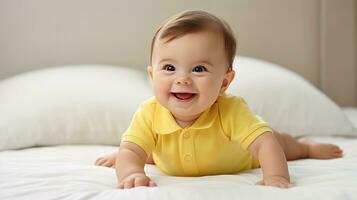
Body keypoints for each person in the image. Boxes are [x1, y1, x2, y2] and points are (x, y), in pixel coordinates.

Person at [95, 10, 343, 189]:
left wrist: (276, 176)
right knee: (140, 150)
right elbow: (131, 149)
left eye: (199, 69)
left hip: (242, 156)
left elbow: (264, 145)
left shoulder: (231, 110)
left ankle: (306, 145)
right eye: (169, 68)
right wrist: (131, 170)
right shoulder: (149, 113)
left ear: (224, 82)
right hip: (170, 157)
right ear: (152, 75)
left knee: (278, 142)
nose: (182, 79)